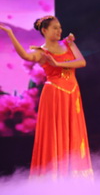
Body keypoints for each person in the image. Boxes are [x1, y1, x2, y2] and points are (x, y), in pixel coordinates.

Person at [0, 16, 93, 179]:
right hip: (54, 94)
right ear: (44, 30)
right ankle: (54, 175)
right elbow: (25, 56)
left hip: (72, 93)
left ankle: (73, 174)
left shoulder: (68, 43)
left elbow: (81, 62)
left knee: (73, 131)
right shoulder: (41, 52)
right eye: (55, 28)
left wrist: (58, 64)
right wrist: (10, 34)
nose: (59, 31)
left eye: (60, 27)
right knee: (55, 133)